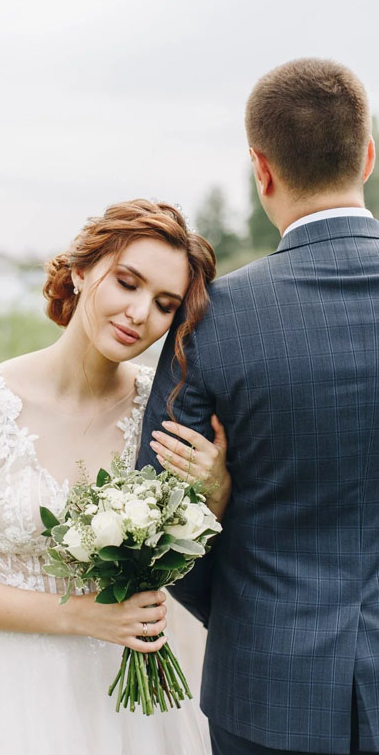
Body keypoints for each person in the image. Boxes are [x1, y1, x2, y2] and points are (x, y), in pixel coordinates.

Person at [0, 199, 231, 755]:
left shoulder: (164, 409)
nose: (139, 313)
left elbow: (184, 555)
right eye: (127, 282)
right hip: (3, 693)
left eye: (164, 304)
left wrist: (216, 489)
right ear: (80, 270)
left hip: (130, 702)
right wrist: (82, 615)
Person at [138, 58, 379, 755]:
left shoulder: (213, 319)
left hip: (266, 684)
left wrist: (244, 617)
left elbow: (158, 517)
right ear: (367, 157)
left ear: (261, 170)